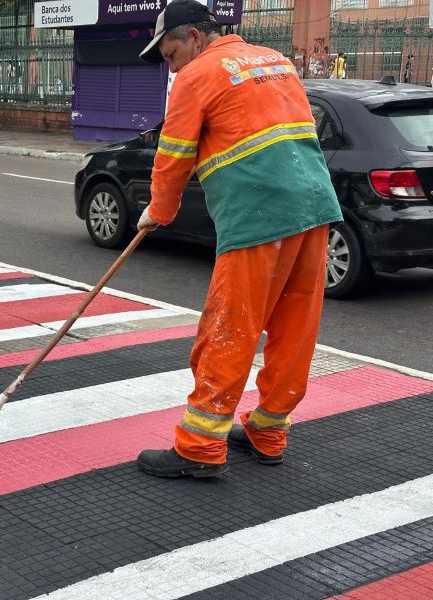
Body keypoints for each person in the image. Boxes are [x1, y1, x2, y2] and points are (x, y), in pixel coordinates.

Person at [135, 0, 343, 478]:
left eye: (169, 55)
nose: (171, 67)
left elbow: (174, 151)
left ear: (194, 37)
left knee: (230, 327)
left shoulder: (197, 74)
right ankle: (268, 433)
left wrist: (158, 212)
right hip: (314, 206)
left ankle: (200, 448)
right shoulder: (274, 61)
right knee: (294, 328)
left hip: (258, 215)